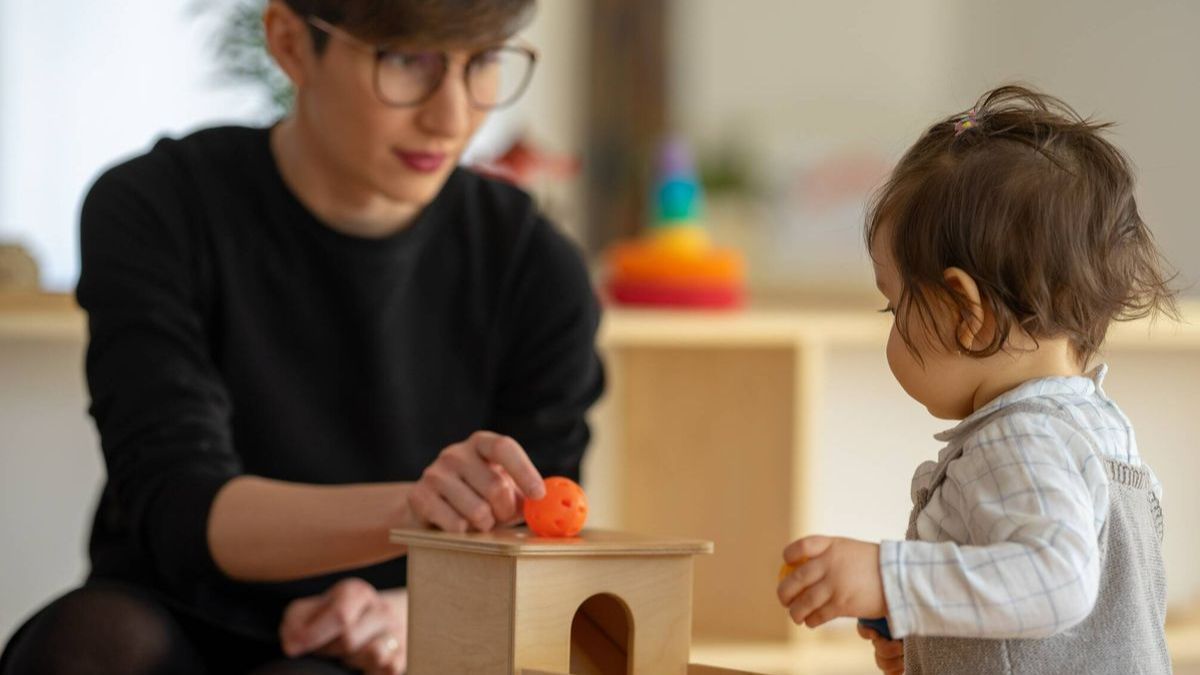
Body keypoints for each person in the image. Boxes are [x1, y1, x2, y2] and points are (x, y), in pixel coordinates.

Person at [0, 1, 604, 673]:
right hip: (173, 615)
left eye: (484, 60)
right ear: (290, 42)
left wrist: (408, 612)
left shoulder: (534, 266)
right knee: (86, 644)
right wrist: (416, 507)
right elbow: (178, 504)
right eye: (406, 60)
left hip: (386, 631)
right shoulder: (158, 207)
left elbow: (540, 534)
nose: (452, 117)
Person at [776, 85, 1175, 674]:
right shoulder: (1102, 432)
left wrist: (890, 579)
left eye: (895, 305)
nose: (892, 325)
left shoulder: (1021, 439)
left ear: (967, 314)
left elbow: (1058, 581)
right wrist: (932, 633)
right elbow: (1068, 630)